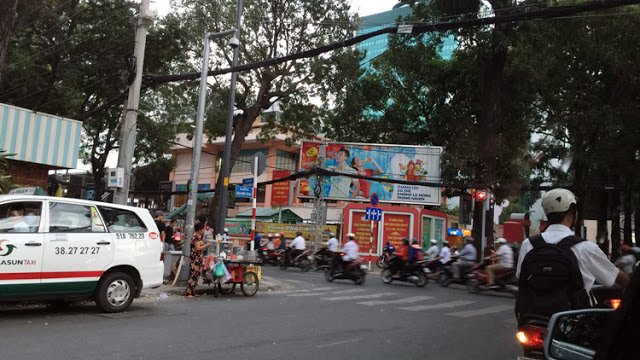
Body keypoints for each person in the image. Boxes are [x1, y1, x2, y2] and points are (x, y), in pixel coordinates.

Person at [516, 188, 630, 325]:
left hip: (532, 316)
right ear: (572, 213)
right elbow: (613, 277)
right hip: (574, 319)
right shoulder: (585, 247)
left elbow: (520, 277)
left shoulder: (528, 244)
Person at [185, 222, 213, 298]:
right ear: (199, 230)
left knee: (196, 275)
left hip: (198, 258)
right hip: (195, 259)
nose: (204, 230)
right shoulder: (196, 236)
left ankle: (192, 292)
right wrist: (206, 245)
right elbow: (197, 248)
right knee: (193, 275)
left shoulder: (199, 236)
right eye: (203, 229)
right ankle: (188, 293)